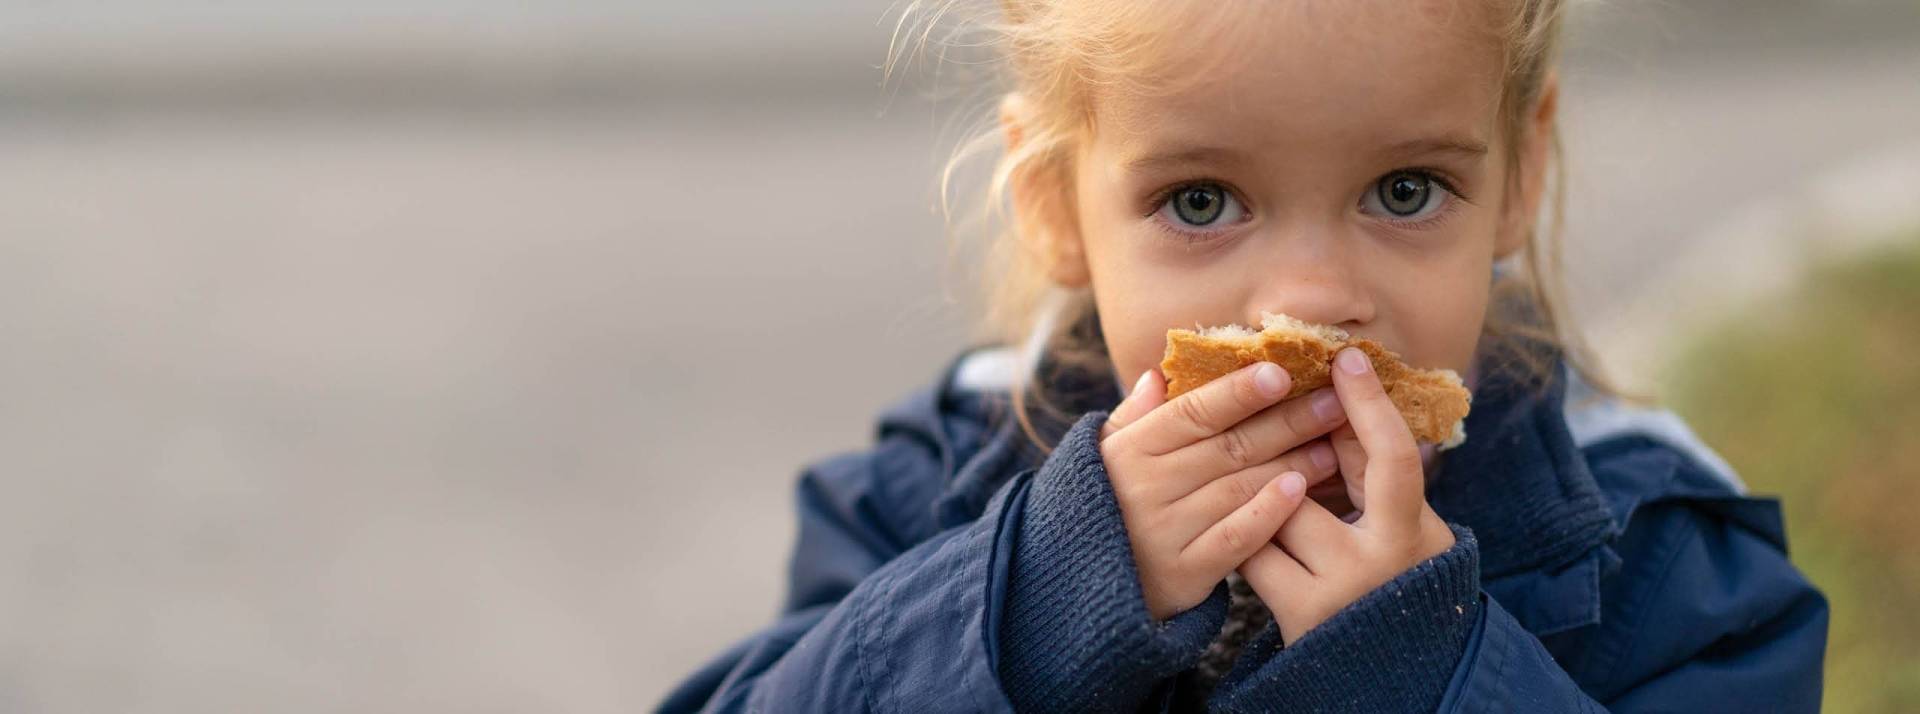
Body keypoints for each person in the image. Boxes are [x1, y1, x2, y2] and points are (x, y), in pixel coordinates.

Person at [660, 1, 1827, 710]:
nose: (1314, 303)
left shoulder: (1662, 570)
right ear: (1059, 203)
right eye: (1203, 200)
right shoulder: (930, 496)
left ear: (1520, 172)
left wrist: (1421, 677)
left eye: (1406, 189)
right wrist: (1033, 606)